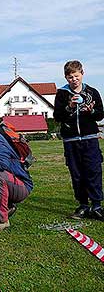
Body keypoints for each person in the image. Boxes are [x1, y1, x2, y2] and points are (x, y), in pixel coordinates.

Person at [54, 60, 104, 221]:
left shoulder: (92, 92)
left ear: (82, 74)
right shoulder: (61, 94)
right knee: (77, 174)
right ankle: (83, 205)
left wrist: (91, 110)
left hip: (90, 138)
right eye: (70, 77)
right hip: (71, 139)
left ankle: (96, 205)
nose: (73, 80)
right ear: (66, 78)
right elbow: (57, 116)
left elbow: (100, 115)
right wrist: (68, 106)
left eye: (76, 76)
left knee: (94, 171)